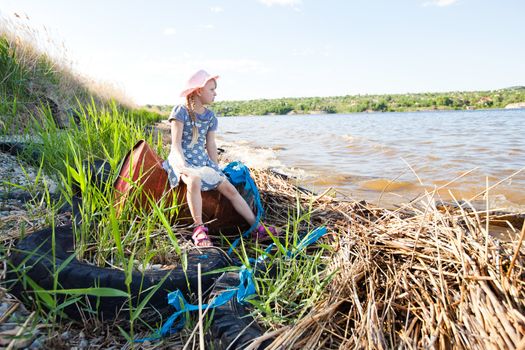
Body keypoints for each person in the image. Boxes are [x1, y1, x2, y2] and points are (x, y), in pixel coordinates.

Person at [163, 69, 277, 247]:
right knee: (193, 180)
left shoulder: (210, 117)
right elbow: (175, 145)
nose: (215, 93)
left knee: (229, 188)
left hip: (201, 161)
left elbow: (210, 145)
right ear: (199, 90)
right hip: (181, 158)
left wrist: (215, 168)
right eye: (212, 89)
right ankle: (199, 229)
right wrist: (182, 166)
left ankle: (256, 228)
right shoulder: (180, 111)